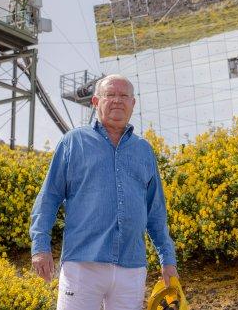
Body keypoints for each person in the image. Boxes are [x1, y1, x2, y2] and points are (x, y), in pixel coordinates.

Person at [30, 74, 178, 310]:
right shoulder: (72, 143)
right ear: (96, 102)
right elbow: (49, 197)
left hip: (132, 267)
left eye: (123, 96)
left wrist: (167, 259)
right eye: (110, 95)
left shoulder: (144, 150)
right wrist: (40, 247)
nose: (117, 101)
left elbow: (155, 211)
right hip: (82, 264)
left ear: (133, 103)